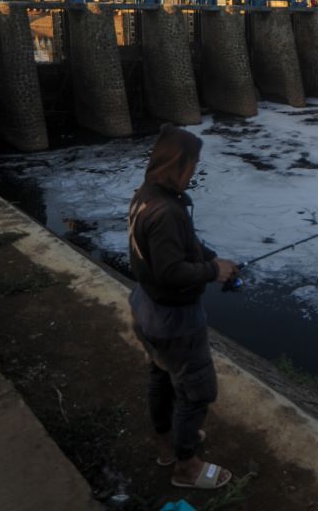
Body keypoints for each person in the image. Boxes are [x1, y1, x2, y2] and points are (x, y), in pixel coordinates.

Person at [128, 124, 239, 490]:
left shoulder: (147, 194)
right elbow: (172, 271)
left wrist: (211, 258)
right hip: (174, 321)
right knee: (196, 392)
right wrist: (212, 271)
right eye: (193, 164)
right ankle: (186, 467)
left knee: (161, 376)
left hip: (147, 308)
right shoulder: (166, 212)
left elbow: (182, 245)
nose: (195, 172)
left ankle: (165, 444)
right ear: (178, 164)